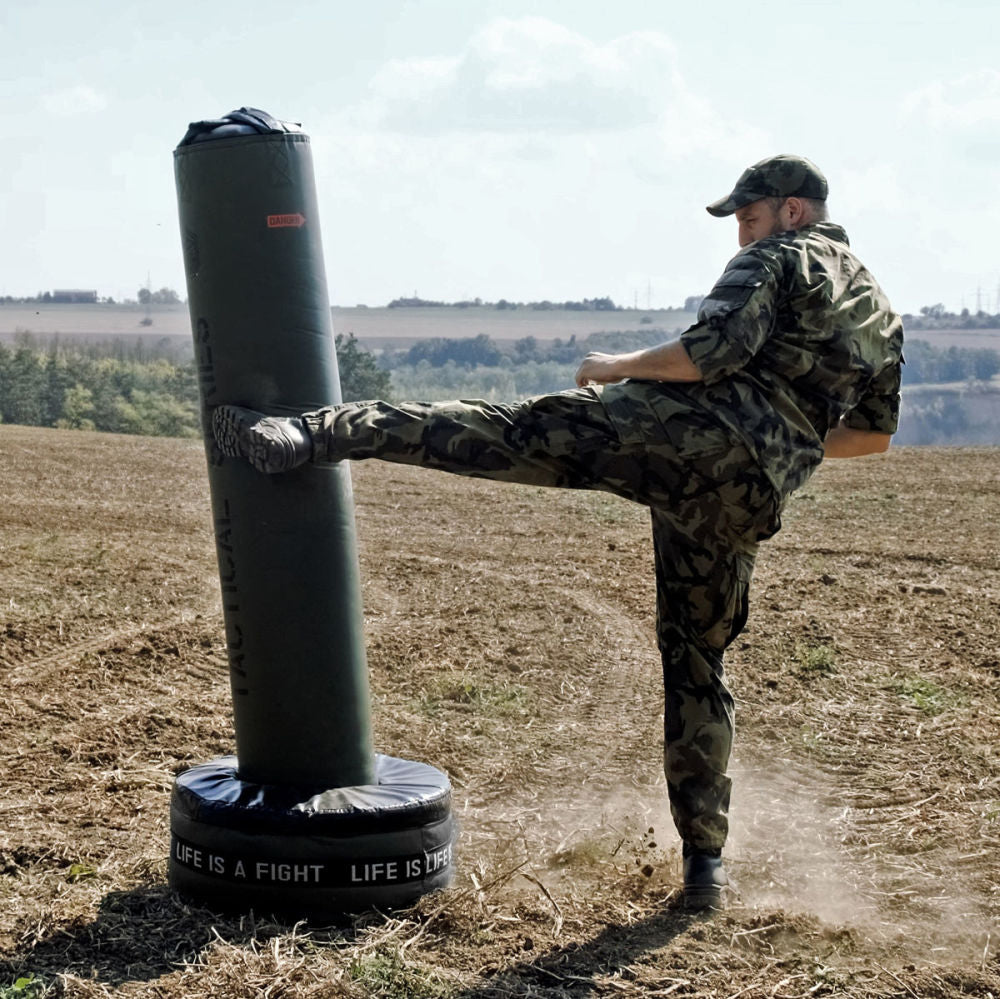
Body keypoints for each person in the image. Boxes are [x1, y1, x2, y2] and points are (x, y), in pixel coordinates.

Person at [212, 154, 903, 910]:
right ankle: (706, 866)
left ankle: (306, 435)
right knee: (698, 664)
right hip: (748, 495)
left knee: (499, 431)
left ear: (792, 212)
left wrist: (616, 366)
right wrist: (784, 439)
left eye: (748, 217)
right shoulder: (882, 315)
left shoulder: (781, 258)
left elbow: (706, 356)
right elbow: (871, 439)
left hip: (674, 435)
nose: (740, 234)